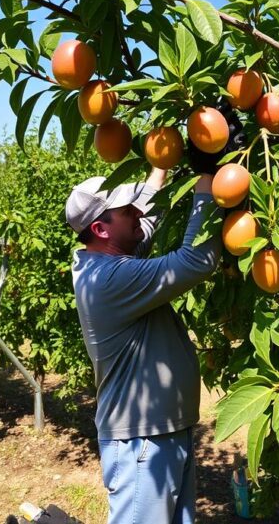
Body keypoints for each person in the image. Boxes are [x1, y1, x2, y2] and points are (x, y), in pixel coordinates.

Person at [66, 103, 243, 522]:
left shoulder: (108, 254)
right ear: (101, 229)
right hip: (143, 441)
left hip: (163, 432)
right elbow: (194, 262)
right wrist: (207, 172)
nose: (137, 212)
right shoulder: (109, 281)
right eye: (125, 209)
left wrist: (166, 150)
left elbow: (148, 210)